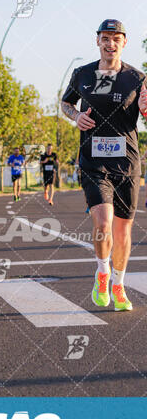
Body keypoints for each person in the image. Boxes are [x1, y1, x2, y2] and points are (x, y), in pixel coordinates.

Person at [61, 19, 147, 311]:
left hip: (127, 162)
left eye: (116, 38)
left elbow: (146, 114)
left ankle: (119, 284)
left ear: (124, 42)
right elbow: (65, 103)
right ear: (97, 40)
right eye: (105, 38)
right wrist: (75, 116)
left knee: (123, 231)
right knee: (103, 221)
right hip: (94, 161)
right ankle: (102, 272)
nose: (110, 43)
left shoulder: (137, 78)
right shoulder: (82, 74)